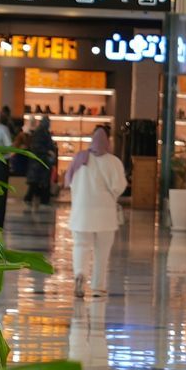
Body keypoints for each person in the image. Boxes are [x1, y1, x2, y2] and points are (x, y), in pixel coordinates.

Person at [67, 124, 126, 297]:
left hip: (81, 214)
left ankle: (80, 274)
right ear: (108, 140)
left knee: (81, 246)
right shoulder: (113, 162)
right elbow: (119, 187)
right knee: (102, 252)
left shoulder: (80, 159)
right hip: (105, 215)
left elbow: (70, 183)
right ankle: (98, 287)